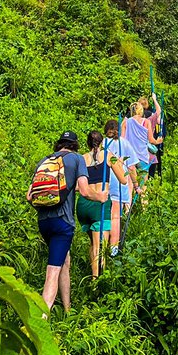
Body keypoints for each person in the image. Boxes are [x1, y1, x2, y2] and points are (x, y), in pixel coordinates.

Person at [28, 131, 109, 311]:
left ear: (59, 144)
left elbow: (29, 196)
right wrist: (101, 196)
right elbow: (85, 191)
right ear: (75, 145)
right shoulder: (77, 159)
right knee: (53, 272)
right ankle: (41, 319)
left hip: (44, 222)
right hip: (62, 223)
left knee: (65, 260)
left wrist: (45, 209)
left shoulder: (45, 161)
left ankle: (67, 309)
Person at [76, 129, 127, 279]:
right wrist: (120, 163)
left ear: (88, 143)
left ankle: (94, 277)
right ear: (102, 142)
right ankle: (96, 281)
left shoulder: (81, 159)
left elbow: (75, 184)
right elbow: (123, 180)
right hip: (100, 204)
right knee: (100, 247)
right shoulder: (108, 156)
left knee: (93, 243)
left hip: (84, 204)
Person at [104, 118, 137, 256]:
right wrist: (136, 184)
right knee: (116, 217)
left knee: (105, 218)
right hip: (119, 183)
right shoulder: (125, 143)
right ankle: (113, 249)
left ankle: (102, 248)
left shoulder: (103, 143)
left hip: (103, 184)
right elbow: (131, 167)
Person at [122, 98, 162, 206]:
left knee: (130, 185)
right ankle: (144, 208)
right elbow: (151, 140)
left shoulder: (126, 122)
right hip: (143, 157)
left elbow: (122, 139)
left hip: (130, 157)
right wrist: (158, 141)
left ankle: (127, 209)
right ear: (141, 111)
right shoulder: (146, 122)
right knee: (144, 184)